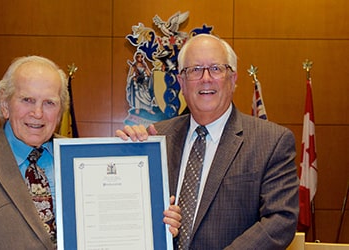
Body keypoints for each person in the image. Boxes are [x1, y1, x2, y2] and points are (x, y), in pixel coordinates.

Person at [0, 55, 181, 249]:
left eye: (49, 103)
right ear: (5, 105)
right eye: (27, 100)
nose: (38, 113)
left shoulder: (85, 162)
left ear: (61, 110)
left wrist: (155, 217)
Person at [117, 34, 299, 250]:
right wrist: (127, 157)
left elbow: (280, 220)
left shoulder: (271, 142)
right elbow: (131, 213)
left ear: (233, 79)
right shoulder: (157, 137)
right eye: (194, 70)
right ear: (181, 83)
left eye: (215, 69)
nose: (205, 78)